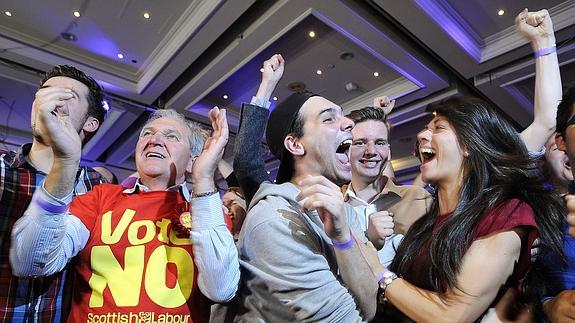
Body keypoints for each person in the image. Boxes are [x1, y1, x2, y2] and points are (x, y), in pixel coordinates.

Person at [10, 106, 238, 322]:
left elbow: (221, 290)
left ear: (192, 161)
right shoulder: (100, 197)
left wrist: (205, 179)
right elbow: (30, 263)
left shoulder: (208, 211)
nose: (154, 140)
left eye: (171, 136)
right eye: (147, 133)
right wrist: (64, 165)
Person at [367, 96, 565, 322]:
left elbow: (452, 316)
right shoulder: (425, 224)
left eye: (439, 127)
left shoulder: (505, 214)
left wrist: (379, 273)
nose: (421, 135)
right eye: (424, 129)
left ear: (469, 145)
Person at [233, 55, 381, 321]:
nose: (348, 122)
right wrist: (267, 86)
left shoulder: (342, 213)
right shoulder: (275, 219)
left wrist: (343, 238)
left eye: (343, 116)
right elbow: (245, 161)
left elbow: (370, 305)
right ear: (295, 145)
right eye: (328, 119)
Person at [0, 65, 107, 322]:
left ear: (91, 122)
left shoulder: (97, 188)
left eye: (68, 95)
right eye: (45, 92)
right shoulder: (3, 170)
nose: (50, 100)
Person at [343, 105, 431, 266]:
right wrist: (367, 238)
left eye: (380, 143)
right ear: (346, 151)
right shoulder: (333, 206)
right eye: (360, 143)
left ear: (389, 152)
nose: (371, 151)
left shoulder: (419, 199)